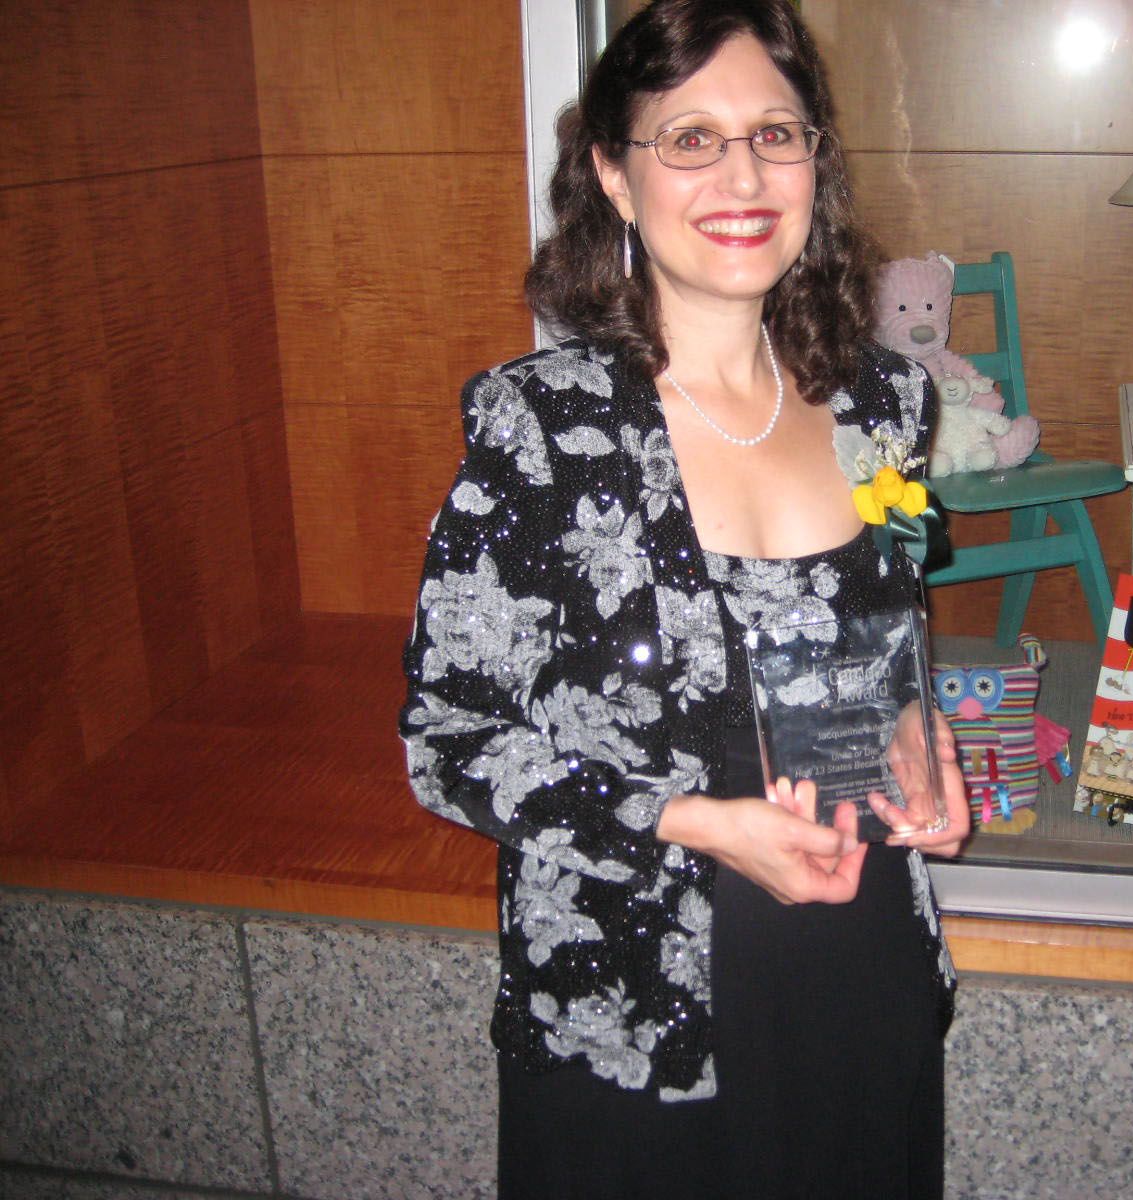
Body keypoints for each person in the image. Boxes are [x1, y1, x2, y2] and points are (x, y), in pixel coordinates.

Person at [399, 1, 969, 1196]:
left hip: (857, 961)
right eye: (690, 139)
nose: (744, 174)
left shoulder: (884, 408)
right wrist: (696, 820)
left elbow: (886, 628)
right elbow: (449, 747)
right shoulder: (541, 429)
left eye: (776, 132)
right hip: (634, 1000)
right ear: (613, 173)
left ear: (818, 158)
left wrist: (924, 745)